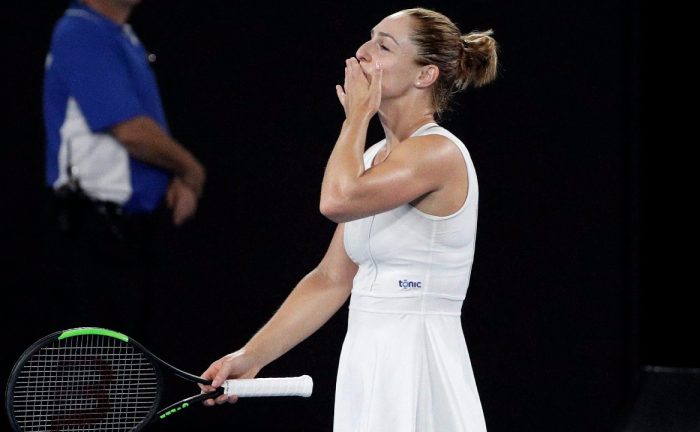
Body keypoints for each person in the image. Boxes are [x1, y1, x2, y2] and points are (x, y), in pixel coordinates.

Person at [201, 7, 497, 431]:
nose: (362, 52)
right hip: (365, 358)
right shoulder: (374, 159)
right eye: (369, 37)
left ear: (424, 76)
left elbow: (336, 200)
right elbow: (331, 278)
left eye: (384, 45)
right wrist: (250, 356)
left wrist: (356, 116)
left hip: (417, 361)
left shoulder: (438, 153)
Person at [42, 0, 205, 339]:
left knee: (133, 369)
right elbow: (131, 131)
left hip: (135, 234)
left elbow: (147, 131)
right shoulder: (80, 31)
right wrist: (191, 171)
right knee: (101, 369)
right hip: (94, 233)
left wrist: (171, 178)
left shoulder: (125, 37)